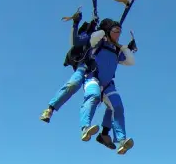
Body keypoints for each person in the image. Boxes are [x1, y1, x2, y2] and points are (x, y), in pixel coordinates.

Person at [77, 18, 136, 154]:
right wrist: (104, 30)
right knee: (93, 96)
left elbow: (130, 61)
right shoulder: (98, 43)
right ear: (108, 31)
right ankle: (85, 127)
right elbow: (92, 39)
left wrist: (124, 47)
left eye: (120, 32)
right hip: (92, 77)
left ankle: (121, 140)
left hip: (108, 84)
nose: (118, 34)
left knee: (117, 106)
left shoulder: (116, 50)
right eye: (115, 31)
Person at [39, 9, 98, 124]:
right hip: (85, 67)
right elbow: (76, 41)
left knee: (97, 96)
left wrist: (127, 49)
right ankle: (50, 109)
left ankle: (97, 130)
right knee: (73, 84)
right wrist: (75, 24)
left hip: (98, 74)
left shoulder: (107, 40)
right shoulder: (89, 36)